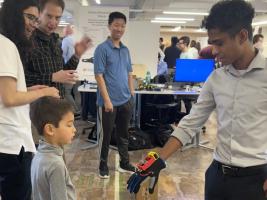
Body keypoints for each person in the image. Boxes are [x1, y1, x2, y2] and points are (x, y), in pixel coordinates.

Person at [127, 1, 267, 200]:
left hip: (256, 181)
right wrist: (158, 159)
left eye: (220, 43)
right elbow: (191, 122)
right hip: (217, 177)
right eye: (212, 43)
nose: (214, 51)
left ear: (242, 36)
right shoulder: (216, 78)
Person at [0, 0, 59, 199]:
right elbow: (9, 98)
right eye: (30, 17)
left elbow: (6, 92)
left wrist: (29, 89)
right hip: (10, 144)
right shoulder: (6, 46)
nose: (34, 23)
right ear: (13, 15)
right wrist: (44, 92)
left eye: (36, 18)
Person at [94, 11, 136, 179]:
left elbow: (129, 72)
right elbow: (99, 75)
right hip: (108, 102)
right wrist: (106, 100)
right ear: (110, 26)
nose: (119, 28)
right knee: (105, 136)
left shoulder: (125, 50)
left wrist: (131, 92)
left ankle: (124, 162)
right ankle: (103, 164)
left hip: (125, 99)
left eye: (122, 26)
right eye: (116, 25)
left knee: (123, 134)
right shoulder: (102, 49)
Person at [25, 0, 91, 98]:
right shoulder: (27, 41)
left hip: (59, 103)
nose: (53, 22)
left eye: (57, 18)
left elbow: (62, 72)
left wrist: (77, 55)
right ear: (39, 13)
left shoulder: (55, 41)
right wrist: (52, 77)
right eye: (49, 16)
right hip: (38, 107)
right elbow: (21, 80)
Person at [30, 97, 76, 200]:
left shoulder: (37, 155)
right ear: (50, 129)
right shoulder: (55, 165)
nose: (74, 129)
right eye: (69, 125)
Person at [61, 24, 80, 115]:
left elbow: (62, 54)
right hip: (80, 68)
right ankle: (79, 109)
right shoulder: (77, 39)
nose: (63, 33)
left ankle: (75, 110)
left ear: (67, 32)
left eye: (64, 31)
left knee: (66, 92)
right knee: (77, 91)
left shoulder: (66, 40)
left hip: (70, 69)